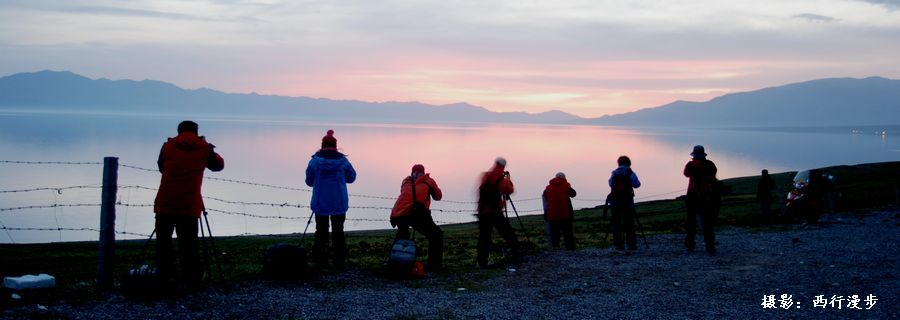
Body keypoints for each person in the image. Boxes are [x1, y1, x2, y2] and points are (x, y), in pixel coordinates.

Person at [153, 120, 224, 289]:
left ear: (179, 131)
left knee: (164, 244)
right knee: (189, 245)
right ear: (196, 131)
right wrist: (207, 146)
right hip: (190, 204)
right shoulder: (204, 148)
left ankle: (165, 278)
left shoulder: (167, 146)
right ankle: (191, 280)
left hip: (165, 202)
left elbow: (161, 167)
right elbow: (218, 166)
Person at [305, 129, 357, 269]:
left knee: (321, 231)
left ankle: (320, 260)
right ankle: (339, 261)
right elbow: (351, 178)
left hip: (320, 201)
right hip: (338, 202)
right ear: (335, 146)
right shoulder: (343, 161)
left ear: (322, 145)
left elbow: (309, 181)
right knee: (338, 231)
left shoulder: (314, 162)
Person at [390, 164, 444, 271]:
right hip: (417, 213)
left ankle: (394, 262)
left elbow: (405, 194)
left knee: (402, 236)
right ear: (423, 172)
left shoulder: (405, 181)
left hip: (399, 212)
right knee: (436, 235)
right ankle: (434, 265)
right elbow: (438, 196)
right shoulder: (428, 180)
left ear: (411, 172)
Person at [476, 157, 519, 268]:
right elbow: (509, 190)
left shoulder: (486, 176)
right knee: (508, 233)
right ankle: (516, 256)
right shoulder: (501, 178)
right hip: (495, 211)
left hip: (483, 211)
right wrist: (508, 179)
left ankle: (482, 262)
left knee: (484, 238)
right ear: (504, 166)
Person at [683, 145, 719, 255]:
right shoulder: (710, 165)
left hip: (693, 196)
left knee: (691, 221)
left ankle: (690, 244)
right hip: (706, 196)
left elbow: (686, 174)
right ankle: (709, 245)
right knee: (707, 221)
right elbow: (713, 176)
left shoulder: (690, 165)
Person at [608, 156, 641, 251]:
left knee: (616, 223)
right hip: (627, 202)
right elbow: (637, 184)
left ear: (618, 163)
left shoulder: (614, 173)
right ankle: (631, 245)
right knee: (629, 223)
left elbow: (610, 184)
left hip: (615, 202)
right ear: (629, 163)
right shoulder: (630, 172)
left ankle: (618, 245)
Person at [542, 172, 577, 250]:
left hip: (552, 214)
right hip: (565, 214)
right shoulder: (566, 186)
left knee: (555, 233)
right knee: (568, 233)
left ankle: (555, 248)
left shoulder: (548, 188)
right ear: (564, 178)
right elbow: (573, 194)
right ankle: (570, 248)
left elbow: (545, 197)